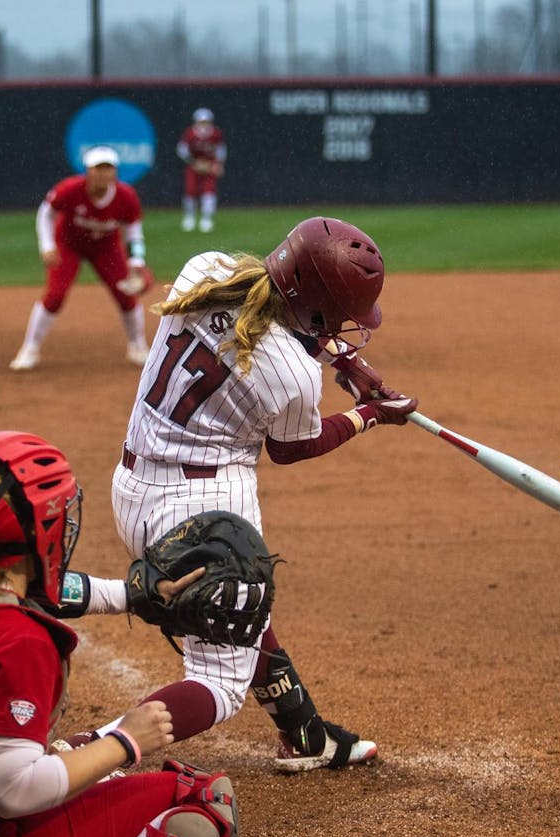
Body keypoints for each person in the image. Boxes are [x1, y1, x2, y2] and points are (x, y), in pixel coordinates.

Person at [66, 217, 419, 772]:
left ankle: (304, 734)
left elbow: (265, 325)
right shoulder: (293, 375)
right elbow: (293, 447)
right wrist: (369, 413)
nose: (347, 325)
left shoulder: (206, 271)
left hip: (134, 486)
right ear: (318, 306)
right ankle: (88, 748)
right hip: (203, 516)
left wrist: (348, 364)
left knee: (242, 609)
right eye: (341, 316)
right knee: (218, 686)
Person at [0, 431, 239, 837]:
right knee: (201, 805)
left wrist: (134, 595)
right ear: (40, 529)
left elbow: (49, 595)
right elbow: (12, 792)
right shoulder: (18, 639)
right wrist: (125, 740)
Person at [11, 145, 154, 372]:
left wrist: (137, 261)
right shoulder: (70, 189)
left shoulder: (126, 196)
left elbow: (134, 229)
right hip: (68, 246)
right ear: (87, 171)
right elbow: (46, 212)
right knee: (55, 295)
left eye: (108, 168)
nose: (103, 173)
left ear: (115, 172)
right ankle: (30, 348)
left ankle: (138, 346)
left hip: (106, 248)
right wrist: (47, 246)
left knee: (126, 296)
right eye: (98, 168)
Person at [176, 108, 226, 233]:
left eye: (206, 121)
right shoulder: (190, 134)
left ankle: (206, 219)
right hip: (194, 166)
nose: (203, 124)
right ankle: (189, 218)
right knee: (190, 191)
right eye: (201, 122)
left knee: (209, 192)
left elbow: (221, 150)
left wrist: (218, 164)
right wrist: (194, 162)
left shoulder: (215, 134)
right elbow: (181, 150)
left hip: (209, 166)